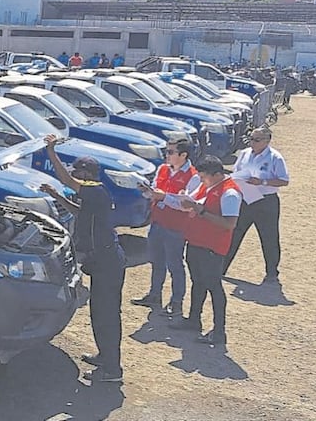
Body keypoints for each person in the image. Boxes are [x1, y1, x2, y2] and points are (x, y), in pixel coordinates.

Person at [39, 135, 126, 383]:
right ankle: (105, 357)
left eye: (79, 171)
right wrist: (56, 196)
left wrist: (50, 150)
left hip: (107, 263)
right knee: (99, 313)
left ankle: (112, 370)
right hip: (103, 262)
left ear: (88, 173)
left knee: (107, 315)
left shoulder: (95, 190)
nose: (74, 175)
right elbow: (79, 212)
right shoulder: (94, 195)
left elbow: (66, 178)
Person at [169, 156, 242, 345]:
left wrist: (200, 211)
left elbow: (229, 224)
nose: (201, 180)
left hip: (212, 247)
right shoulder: (209, 186)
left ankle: (219, 331)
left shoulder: (230, 193)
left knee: (213, 286)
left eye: (204, 177)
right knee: (198, 283)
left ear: (217, 175)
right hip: (197, 243)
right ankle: (194, 319)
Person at [131, 138, 200, 316]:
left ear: (183, 155)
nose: (166, 155)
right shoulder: (163, 169)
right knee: (156, 261)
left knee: (175, 265)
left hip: (176, 228)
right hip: (158, 222)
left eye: (170, 152)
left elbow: (186, 205)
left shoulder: (193, 176)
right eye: (166, 151)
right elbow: (154, 191)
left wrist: (163, 197)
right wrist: (147, 191)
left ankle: (176, 302)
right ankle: (155, 295)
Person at [224, 127, 289, 283]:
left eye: (256, 140)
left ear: (267, 141)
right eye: (251, 138)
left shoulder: (275, 158)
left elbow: (284, 180)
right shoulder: (244, 154)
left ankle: (272, 272)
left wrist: (263, 182)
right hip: (245, 199)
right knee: (234, 233)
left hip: (266, 201)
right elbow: (236, 172)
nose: (252, 142)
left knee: (269, 237)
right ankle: (222, 267)